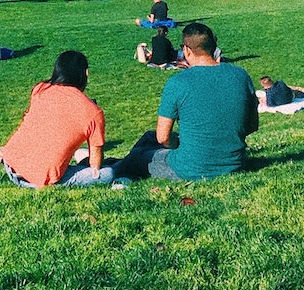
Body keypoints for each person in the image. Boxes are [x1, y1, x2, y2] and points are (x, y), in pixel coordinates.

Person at [104, 23, 258, 184]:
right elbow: (252, 125)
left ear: (186, 50)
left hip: (190, 168)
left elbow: (163, 138)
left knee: (139, 156)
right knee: (149, 137)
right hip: (235, 163)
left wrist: (178, 144)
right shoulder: (240, 75)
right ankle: (119, 168)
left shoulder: (178, 82)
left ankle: (111, 170)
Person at [0, 50, 106, 188]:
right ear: (86, 73)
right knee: (108, 173)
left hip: (11, 165)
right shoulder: (93, 112)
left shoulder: (40, 89)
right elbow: (96, 164)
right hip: (40, 181)